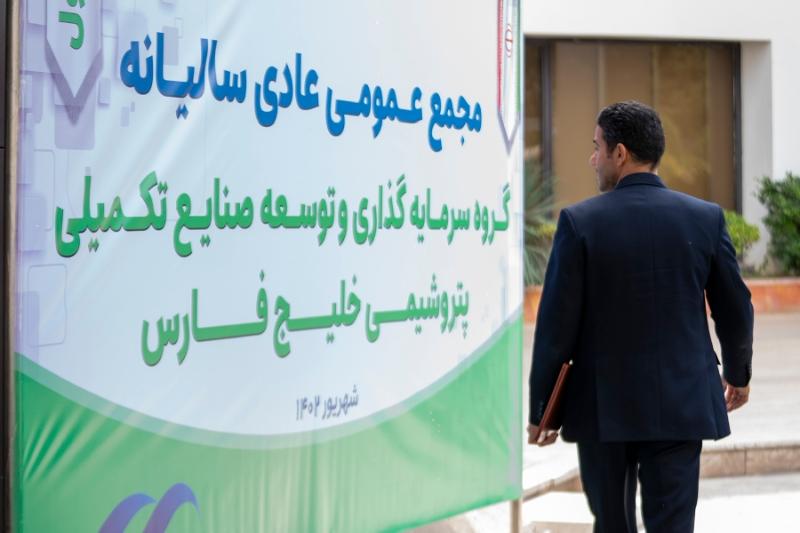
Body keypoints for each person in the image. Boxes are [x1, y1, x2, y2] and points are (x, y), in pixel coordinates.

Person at [527, 101, 754, 532]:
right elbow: (735, 307)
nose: (593, 159)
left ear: (620, 153)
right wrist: (738, 374)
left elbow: (556, 327)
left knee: (612, 524)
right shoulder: (705, 219)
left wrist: (544, 410)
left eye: (597, 147)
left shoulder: (579, 222)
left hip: (601, 408)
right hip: (681, 402)